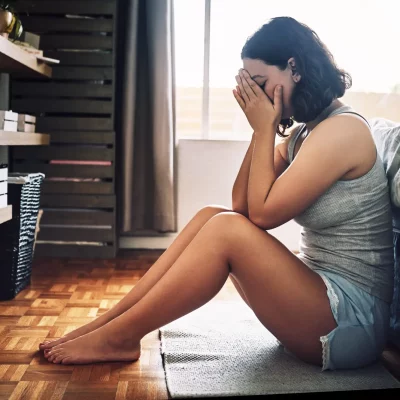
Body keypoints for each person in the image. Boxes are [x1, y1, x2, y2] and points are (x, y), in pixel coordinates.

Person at [38, 16, 394, 371]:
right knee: (214, 215)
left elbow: (262, 216)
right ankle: (110, 324)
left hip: (351, 323)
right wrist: (261, 132)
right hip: (320, 301)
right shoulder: (306, 134)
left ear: (294, 68)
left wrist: (264, 127)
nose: (257, 96)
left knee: (227, 230)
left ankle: (121, 337)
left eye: (261, 83)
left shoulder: (342, 131)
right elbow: (241, 204)